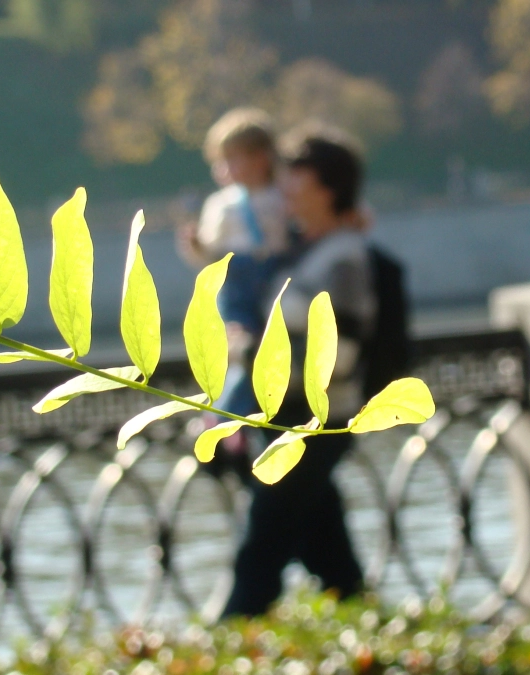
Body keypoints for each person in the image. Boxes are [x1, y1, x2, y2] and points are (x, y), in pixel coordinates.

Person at [221, 124, 375, 617]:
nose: (283, 190)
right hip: (292, 419)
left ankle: (222, 648)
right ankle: (369, 630)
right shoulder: (302, 252)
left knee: (259, 554)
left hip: (316, 422)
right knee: (331, 560)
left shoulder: (343, 259)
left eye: (296, 181)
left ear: (326, 189)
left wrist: (247, 355)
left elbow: (339, 356)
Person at [177, 107, 291, 428]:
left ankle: (244, 414)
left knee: (267, 347)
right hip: (237, 280)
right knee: (242, 349)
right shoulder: (222, 204)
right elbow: (211, 257)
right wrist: (196, 246)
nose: (224, 169)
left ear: (262, 158)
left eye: (232, 159)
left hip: (275, 277)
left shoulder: (283, 195)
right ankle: (226, 416)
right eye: (220, 161)